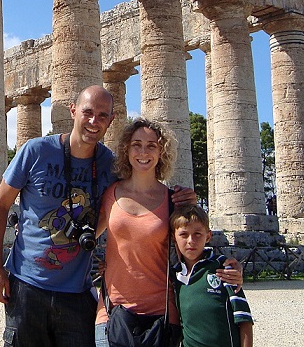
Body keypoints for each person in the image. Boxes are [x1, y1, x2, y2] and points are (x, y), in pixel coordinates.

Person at [0, 86, 196, 347]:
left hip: (78, 291)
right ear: (73, 110)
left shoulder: (111, 166)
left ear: (111, 119)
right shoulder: (36, 151)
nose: (94, 121)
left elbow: (138, 198)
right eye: (88, 112)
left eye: (102, 115)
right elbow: (0, 205)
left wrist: (181, 199)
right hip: (27, 286)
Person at [93, 118, 241, 347]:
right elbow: (84, 238)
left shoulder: (175, 201)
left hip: (161, 316)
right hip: (111, 313)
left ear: (161, 151)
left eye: (152, 145)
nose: (143, 152)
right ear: (126, 149)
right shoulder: (109, 194)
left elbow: (193, 248)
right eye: (136, 144)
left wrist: (228, 267)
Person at [170, 205, 254, 347]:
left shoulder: (223, 269)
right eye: (184, 235)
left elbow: (244, 319)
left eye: (197, 234)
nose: (191, 240)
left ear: (208, 236)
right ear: (174, 237)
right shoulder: (174, 276)